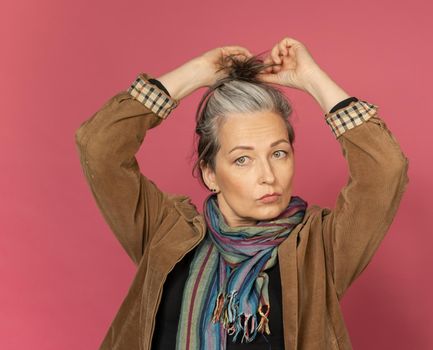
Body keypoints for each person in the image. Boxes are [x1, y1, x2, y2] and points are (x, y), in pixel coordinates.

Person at [75, 37, 409, 350]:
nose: (267, 176)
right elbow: (100, 147)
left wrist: (312, 79)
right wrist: (196, 74)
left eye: (278, 153)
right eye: (242, 159)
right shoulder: (166, 233)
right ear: (211, 173)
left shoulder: (319, 248)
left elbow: (385, 170)